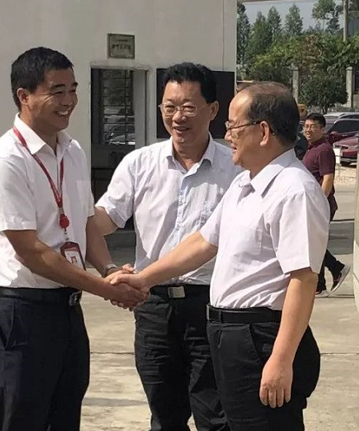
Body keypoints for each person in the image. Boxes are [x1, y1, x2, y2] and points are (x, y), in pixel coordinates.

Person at [111, 82, 330, 431]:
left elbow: (303, 279)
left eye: (233, 126)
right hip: (230, 335)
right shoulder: (245, 184)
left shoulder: (294, 191)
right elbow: (202, 243)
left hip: (261, 337)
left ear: (263, 132)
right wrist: (143, 279)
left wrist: (281, 359)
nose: (227, 136)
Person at [0, 47, 146, 431]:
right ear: (24, 95)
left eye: (73, 89)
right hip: (24, 312)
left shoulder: (72, 150)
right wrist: (104, 288)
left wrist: (110, 270)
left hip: (67, 310)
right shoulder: (5, 162)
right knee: (23, 418)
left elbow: (86, 224)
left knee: (65, 415)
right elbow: (32, 251)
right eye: (57, 91)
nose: (69, 101)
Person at [94, 62, 240, 431]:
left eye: (189, 107)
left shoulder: (236, 169)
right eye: (169, 107)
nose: (178, 117)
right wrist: (64, 217)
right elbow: (106, 219)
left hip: (211, 305)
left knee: (215, 416)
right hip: (153, 307)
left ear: (213, 109)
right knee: (164, 416)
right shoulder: (139, 164)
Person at [302, 113, 350, 296]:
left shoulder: (324, 150)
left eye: (313, 126)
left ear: (322, 129)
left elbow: (328, 178)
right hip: (313, 203)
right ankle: (324, 281)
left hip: (321, 204)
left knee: (314, 242)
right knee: (314, 242)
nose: (308, 130)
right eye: (306, 126)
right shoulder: (312, 148)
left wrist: (320, 204)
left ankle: (333, 271)